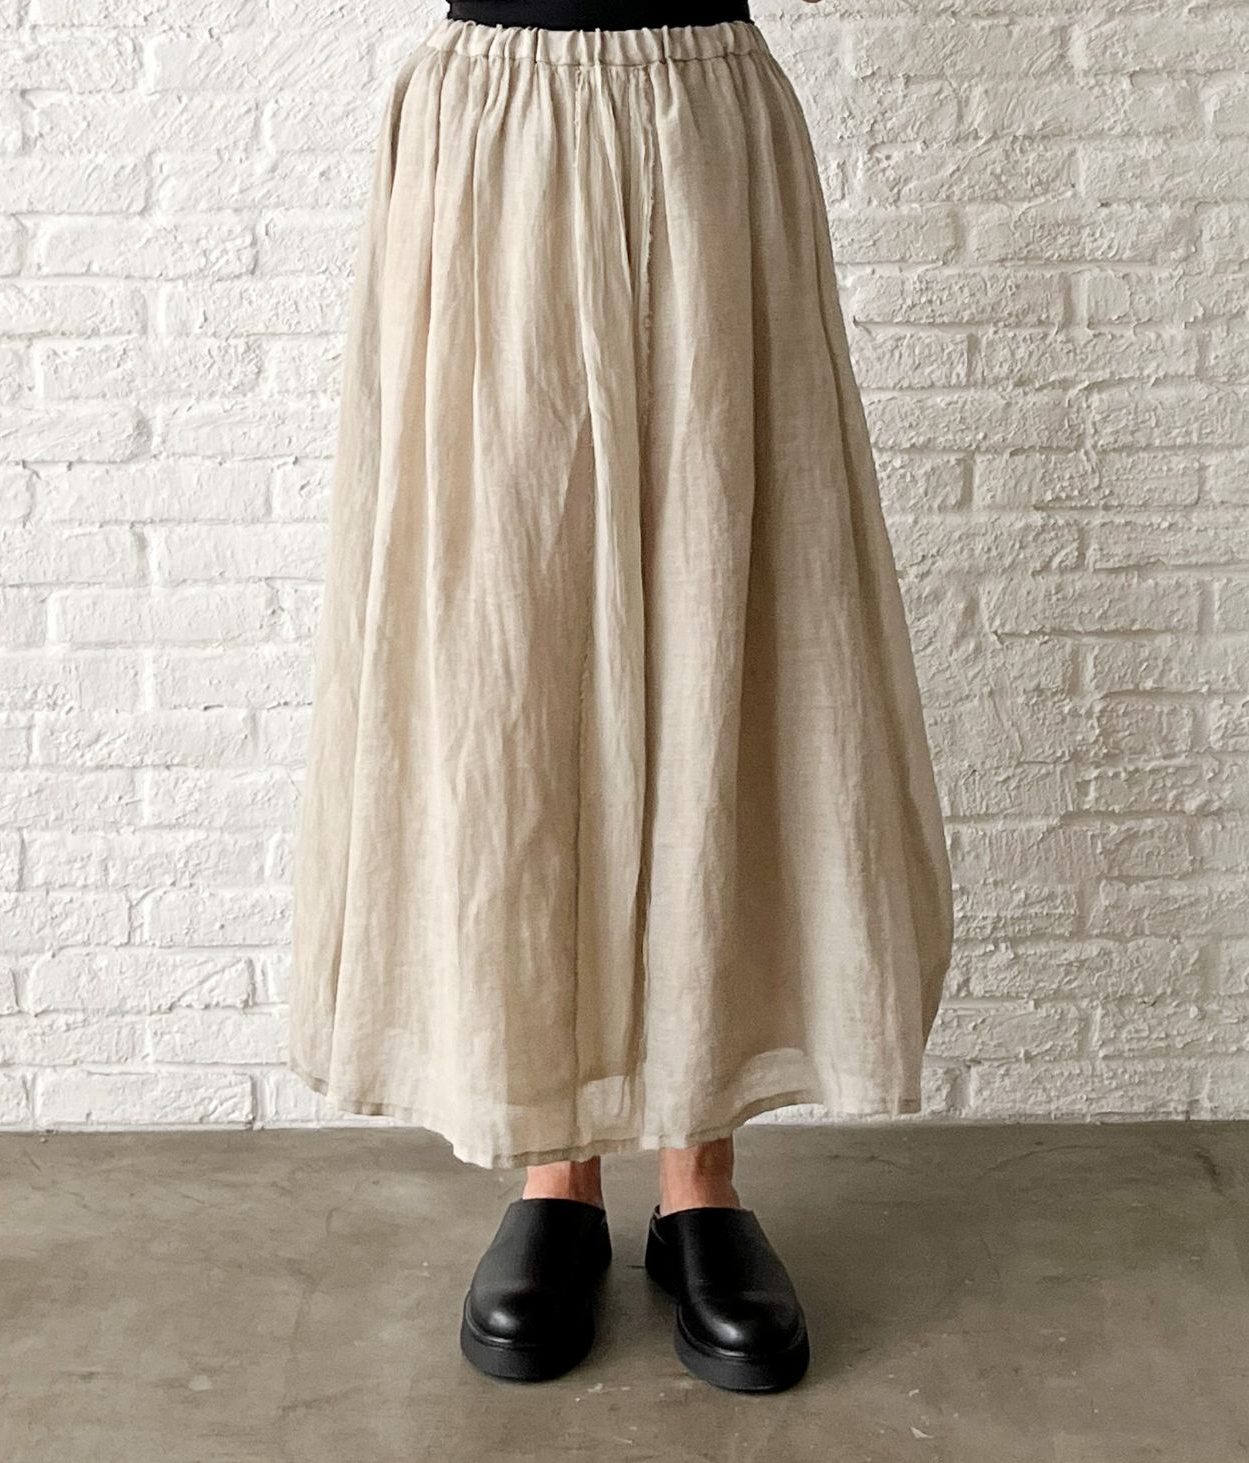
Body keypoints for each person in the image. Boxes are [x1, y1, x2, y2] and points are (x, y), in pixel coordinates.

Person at [286, 0, 953, 1394]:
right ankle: (556, 1168)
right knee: (507, 650)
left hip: (703, 104)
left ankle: (702, 1176)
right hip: (492, 128)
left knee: (735, 602)